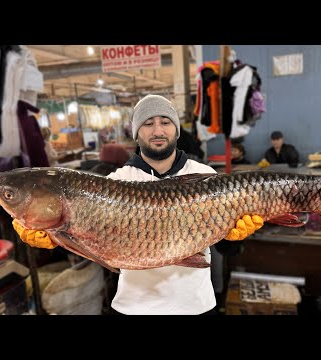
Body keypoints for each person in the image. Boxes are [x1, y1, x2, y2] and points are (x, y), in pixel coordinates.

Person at [106, 94, 263, 315]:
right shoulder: (115, 184)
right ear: (136, 132)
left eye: (165, 122)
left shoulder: (204, 175)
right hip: (133, 307)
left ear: (176, 130)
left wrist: (235, 234)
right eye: (148, 123)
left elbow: (227, 249)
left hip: (196, 306)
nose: (158, 131)